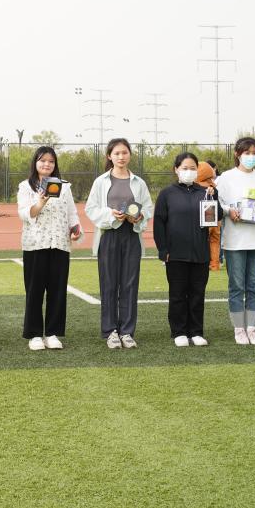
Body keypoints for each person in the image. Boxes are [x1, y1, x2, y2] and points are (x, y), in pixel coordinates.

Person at [84, 138, 152, 349]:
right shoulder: (101, 181)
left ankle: (127, 332)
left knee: (130, 284)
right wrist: (110, 214)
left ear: (130, 154)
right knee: (109, 284)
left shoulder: (139, 182)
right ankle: (110, 331)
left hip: (131, 235)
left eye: (124, 153)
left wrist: (139, 217)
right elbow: (91, 209)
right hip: (108, 236)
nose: (121, 157)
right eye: (117, 153)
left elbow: (148, 207)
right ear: (109, 156)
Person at [16, 146, 81, 351]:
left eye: (51, 161)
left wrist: (75, 229)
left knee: (57, 291)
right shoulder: (26, 186)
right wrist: (40, 203)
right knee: (34, 291)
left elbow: (72, 213)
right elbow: (25, 214)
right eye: (42, 160)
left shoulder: (65, 187)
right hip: (35, 245)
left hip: (60, 244)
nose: (47, 164)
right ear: (35, 163)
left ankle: (52, 333)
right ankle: (35, 334)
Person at [153, 152, 213, 347]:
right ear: (176, 170)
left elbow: (216, 216)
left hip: (200, 253)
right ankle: (178, 331)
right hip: (176, 253)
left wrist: (213, 197)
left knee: (197, 294)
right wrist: (163, 249)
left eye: (193, 168)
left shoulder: (204, 192)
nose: (189, 171)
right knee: (178, 294)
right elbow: (159, 223)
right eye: (185, 168)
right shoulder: (167, 194)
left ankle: (196, 331)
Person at [216, 137, 255, 345]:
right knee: (237, 286)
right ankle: (239, 329)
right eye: (247, 153)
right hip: (235, 241)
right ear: (237, 154)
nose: (251, 157)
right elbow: (217, 204)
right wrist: (229, 211)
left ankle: (252, 328)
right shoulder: (226, 177)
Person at [196, 161, 221, 271]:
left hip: (202, 219)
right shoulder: (214, 187)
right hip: (215, 220)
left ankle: (201, 263)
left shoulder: (197, 188)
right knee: (215, 241)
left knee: (201, 240)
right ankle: (215, 264)